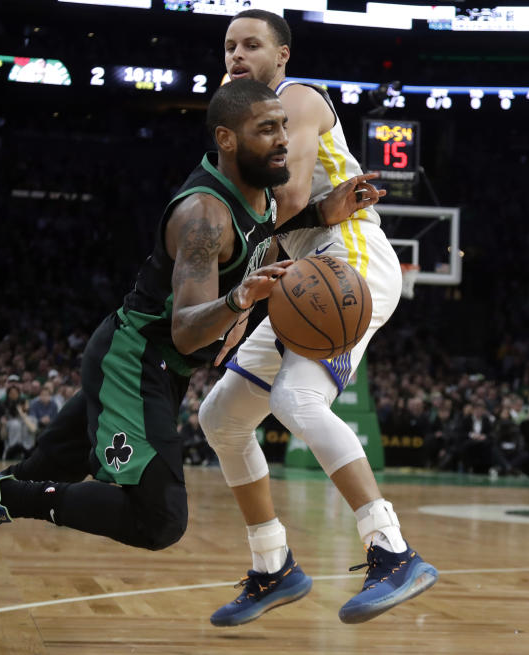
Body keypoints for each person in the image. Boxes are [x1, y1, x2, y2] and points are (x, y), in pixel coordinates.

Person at [0, 79, 378, 635]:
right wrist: (239, 299)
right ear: (227, 140)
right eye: (267, 129)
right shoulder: (204, 215)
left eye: (284, 125)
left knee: (36, 477)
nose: (284, 139)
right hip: (134, 362)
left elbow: (265, 233)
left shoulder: (262, 189)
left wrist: (321, 212)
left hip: (152, 366)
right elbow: (186, 332)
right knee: (159, 519)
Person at [199, 10, 436, 628]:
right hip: (305, 273)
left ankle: (393, 550)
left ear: (282, 57)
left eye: (252, 44)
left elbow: (296, 202)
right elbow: (274, 235)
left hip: (349, 261)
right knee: (220, 417)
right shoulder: (242, 136)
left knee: (296, 401)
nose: (236, 54)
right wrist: (237, 306)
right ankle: (273, 564)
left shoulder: (295, 98)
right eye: (228, 45)